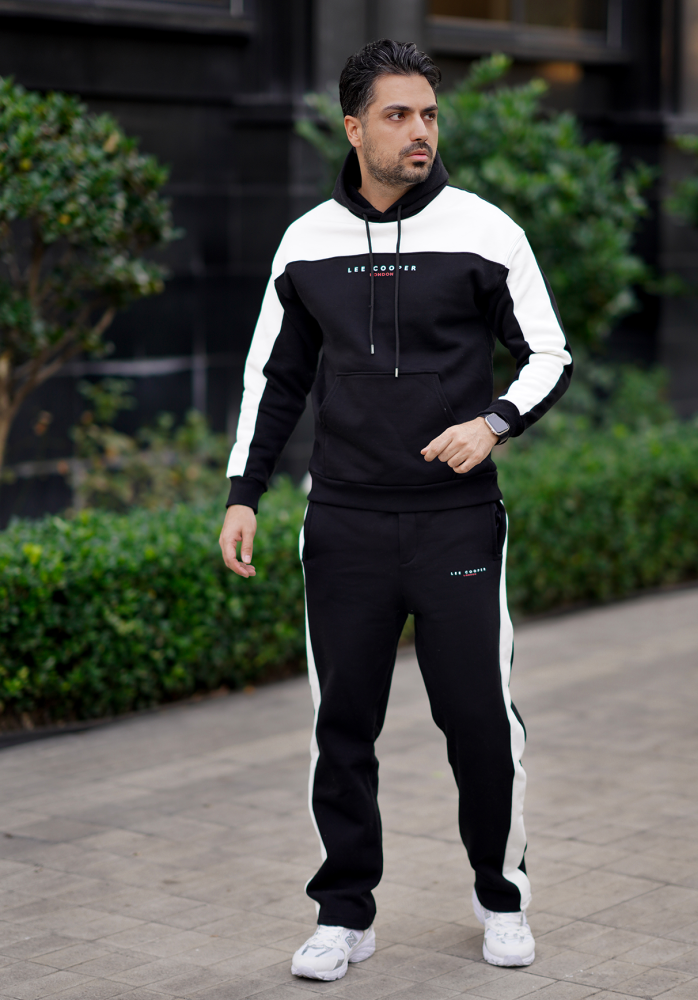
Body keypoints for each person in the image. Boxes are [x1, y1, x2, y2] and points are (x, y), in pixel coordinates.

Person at [219, 38, 572, 982]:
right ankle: (344, 914)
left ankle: (501, 897)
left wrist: (493, 424)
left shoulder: (486, 231)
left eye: (429, 115)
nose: (420, 131)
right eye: (398, 115)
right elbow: (274, 378)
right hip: (343, 522)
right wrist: (245, 494)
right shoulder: (306, 243)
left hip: (456, 520)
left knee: (480, 722)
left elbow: (550, 355)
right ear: (354, 128)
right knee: (342, 727)